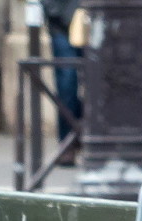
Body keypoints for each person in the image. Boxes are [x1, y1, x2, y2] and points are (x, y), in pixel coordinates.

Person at [41, 0, 82, 165]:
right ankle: (68, 142)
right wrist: (54, 12)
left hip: (95, 20)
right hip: (62, 24)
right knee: (67, 83)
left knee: (99, 85)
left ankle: (83, 133)